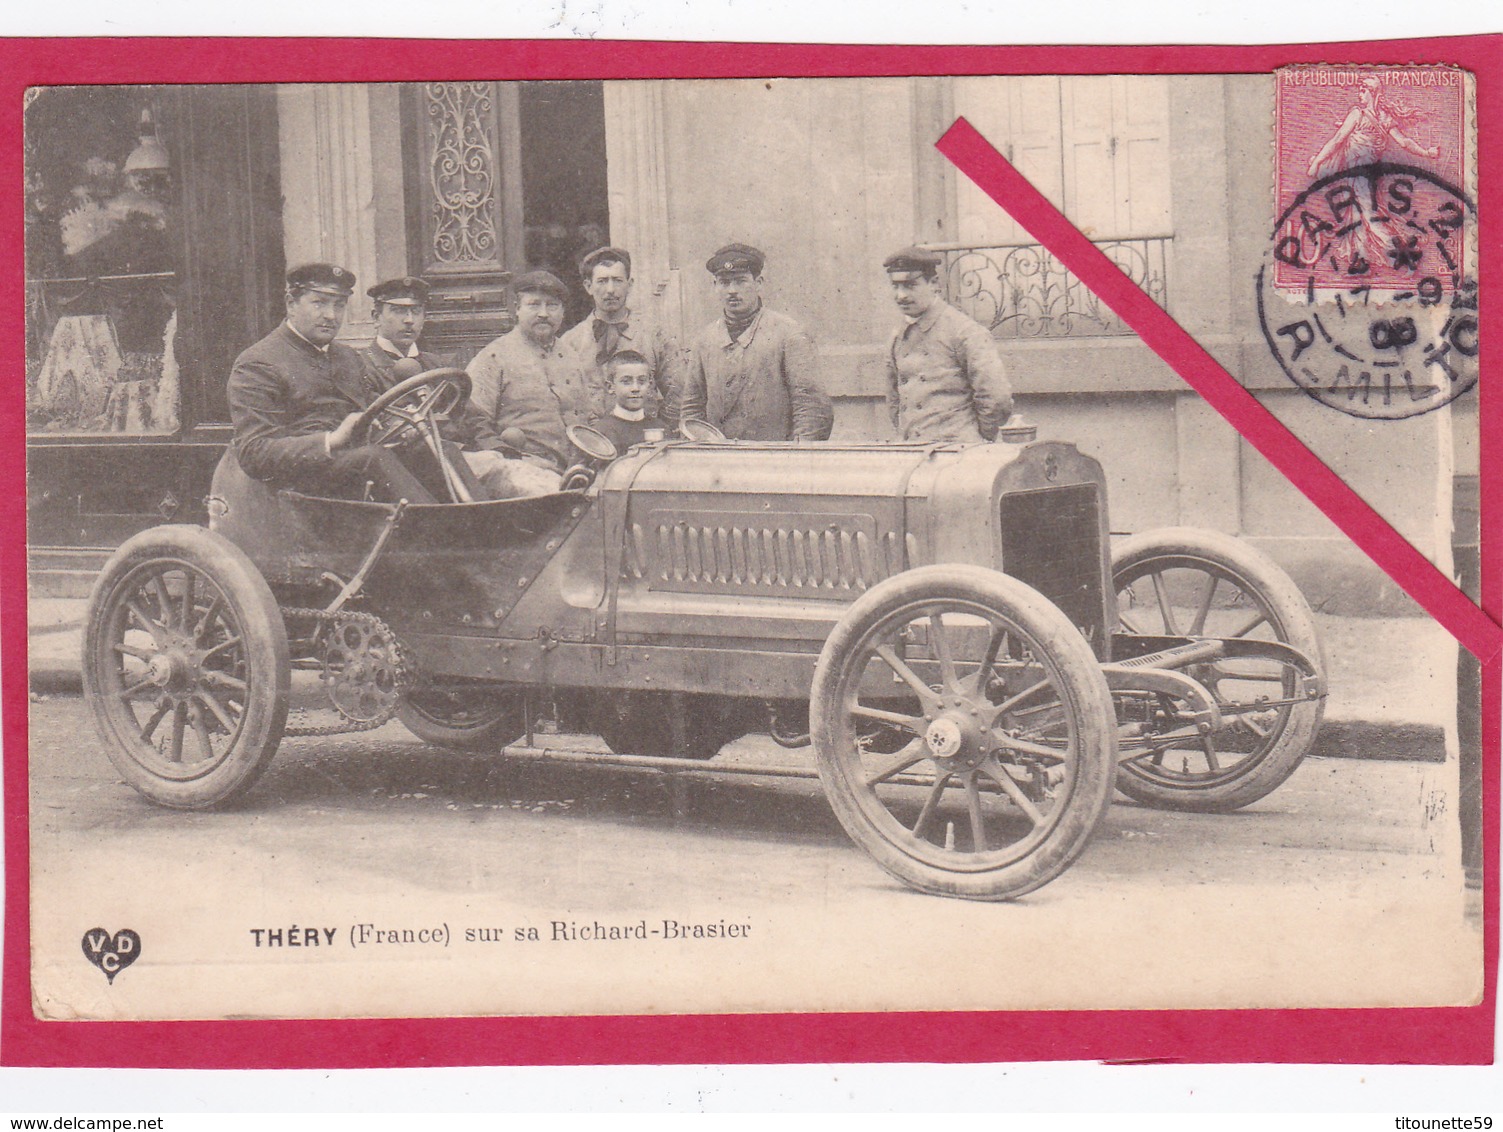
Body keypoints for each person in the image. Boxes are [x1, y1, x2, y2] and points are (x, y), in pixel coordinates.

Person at [227, 262, 439, 504]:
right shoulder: (258, 362)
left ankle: (474, 526)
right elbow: (253, 452)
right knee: (373, 458)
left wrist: (400, 424)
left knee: (435, 451)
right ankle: (435, 534)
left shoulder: (347, 357)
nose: (331, 315)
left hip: (356, 470)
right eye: (319, 303)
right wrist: (331, 440)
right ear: (291, 304)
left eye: (339, 305)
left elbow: (372, 410)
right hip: (303, 486)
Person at [354, 275, 528, 499]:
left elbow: (471, 417)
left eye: (416, 312)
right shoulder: (361, 366)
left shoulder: (437, 364)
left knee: (522, 474)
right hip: (411, 467)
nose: (409, 320)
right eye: (398, 311)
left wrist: (495, 448)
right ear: (376, 317)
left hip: (462, 458)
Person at [679, 243, 833, 442]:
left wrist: (796, 460)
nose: (732, 291)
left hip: (773, 462)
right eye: (724, 282)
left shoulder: (789, 334)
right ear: (715, 286)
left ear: (758, 283)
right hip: (719, 462)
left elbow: (812, 409)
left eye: (741, 281)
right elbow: (691, 409)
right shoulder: (704, 341)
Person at [466, 270, 597, 496]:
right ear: (517, 309)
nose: (544, 314)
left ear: (563, 311)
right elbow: (474, 424)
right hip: (524, 474)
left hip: (576, 471)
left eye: (552, 305)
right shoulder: (494, 357)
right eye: (534, 305)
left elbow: (589, 416)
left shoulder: (572, 356)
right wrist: (508, 455)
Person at [882, 246, 1013, 443]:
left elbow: (996, 399)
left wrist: (975, 440)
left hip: (957, 452)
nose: (901, 296)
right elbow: (894, 399)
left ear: (934, 284)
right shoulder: (897, 336)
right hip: (912, 450)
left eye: (910, 285)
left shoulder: (965, 332)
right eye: (895, 286)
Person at [559, 245, 686, 423]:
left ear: (629, 284)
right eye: (602, 281)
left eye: (617, 280)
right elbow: (565, 403)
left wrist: (657, 429)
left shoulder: (655, 336)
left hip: (645, 441)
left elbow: (678, 395)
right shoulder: (570, 342)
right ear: (588, 287)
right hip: (593, 442)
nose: (610, 290)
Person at [592, 349, 667, 452]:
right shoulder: (600, 433)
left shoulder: (662, 429)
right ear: (610, 387)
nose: (635, 388)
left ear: (649, 385)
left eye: (642, 381)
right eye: (626, 382)